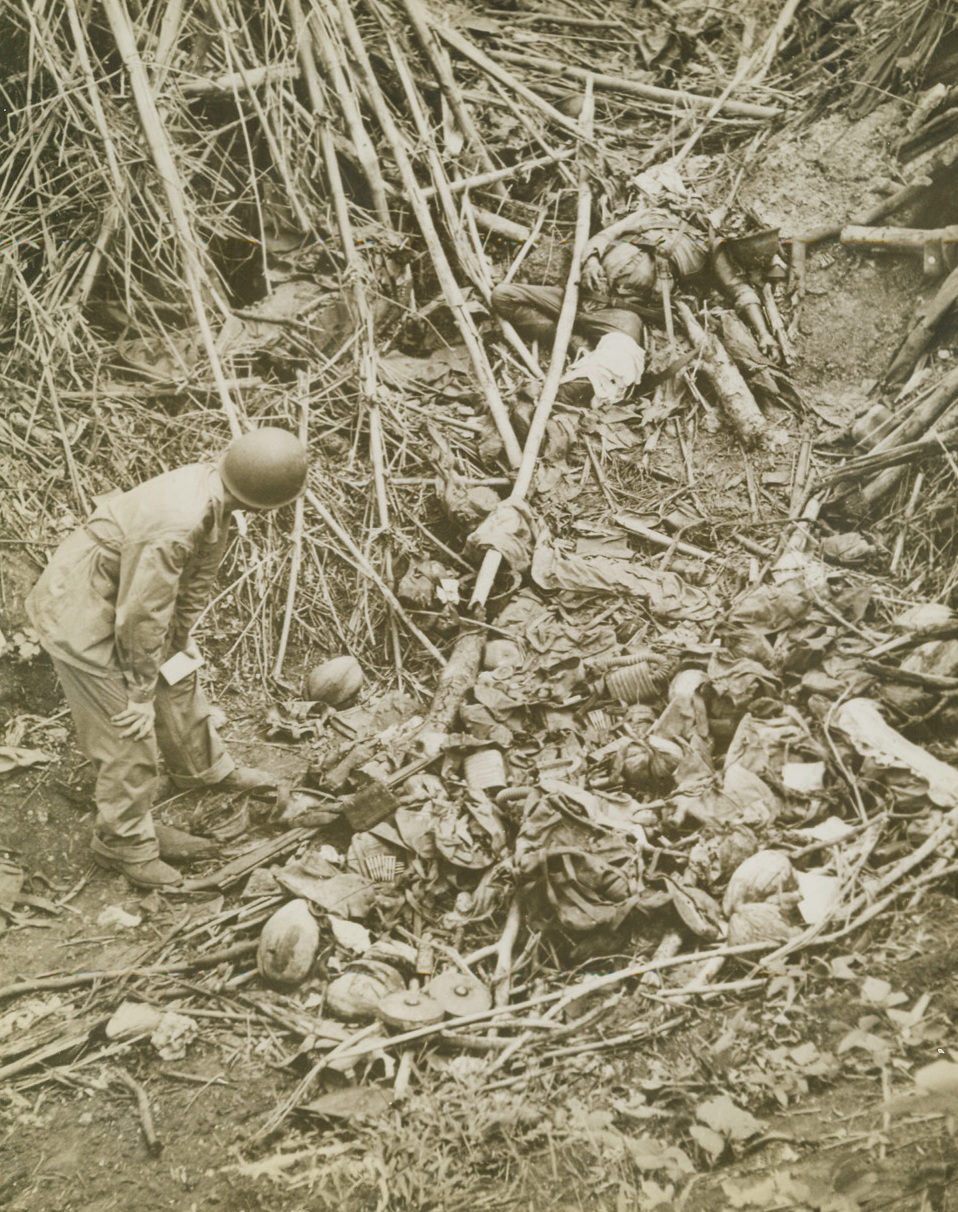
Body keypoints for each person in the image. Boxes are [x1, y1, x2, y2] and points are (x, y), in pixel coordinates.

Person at [26, 427, 309, 889]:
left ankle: (201, 770)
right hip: (81, 612)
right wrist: (138, 694)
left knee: (178, 677)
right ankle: (123, 844)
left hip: (125, 597)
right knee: (127, 734)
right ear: (266, 502)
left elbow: (190, 582)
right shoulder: (175, 523)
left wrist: (180, 640)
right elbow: (140, 615)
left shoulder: (215, 495)